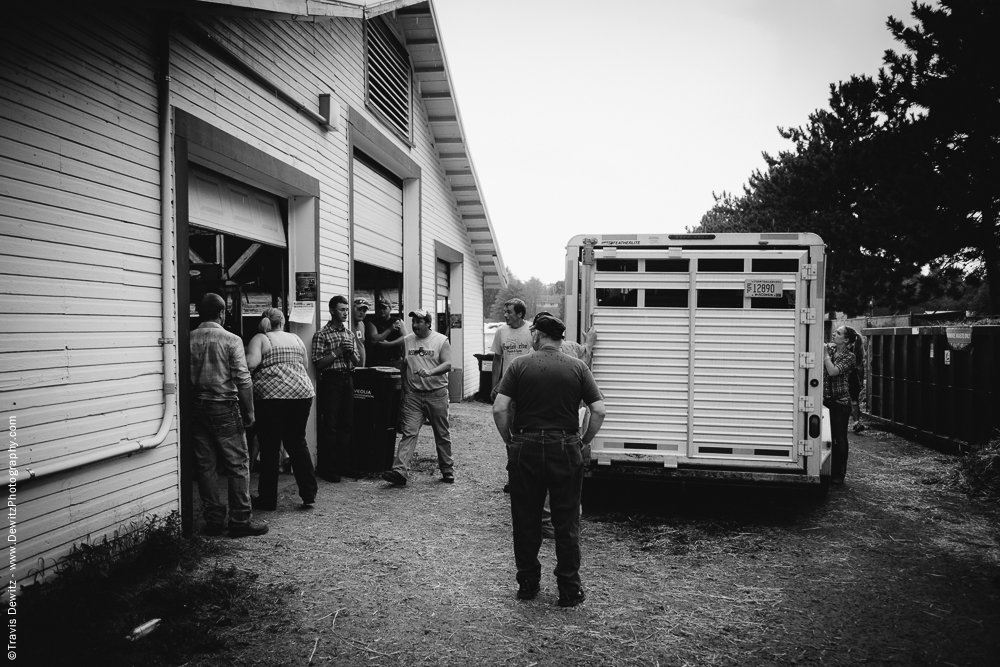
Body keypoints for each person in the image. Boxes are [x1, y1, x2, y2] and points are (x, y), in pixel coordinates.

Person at [492, 314, 606, 607]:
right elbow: (599, 410)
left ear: (539, 335)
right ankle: (569, 589)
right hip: (565, 446)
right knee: (566, 522)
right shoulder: (578, 367)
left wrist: (509, 440)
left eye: (532, 331)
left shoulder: (519, 365)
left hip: (526, 446)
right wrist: (583, 442)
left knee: (525, 519)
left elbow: (499, 409)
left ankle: (528, 584)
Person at [189, 293, 268, 537]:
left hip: (195, 407)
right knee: (237, 464)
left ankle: (213, 519)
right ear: (222, 313)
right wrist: (251, 410)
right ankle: (240, 520)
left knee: (205, 466)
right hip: (223, 405)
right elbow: (243, 379)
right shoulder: (231, 339)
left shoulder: (187, 338)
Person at [246, 308, 318, 510]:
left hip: (271, 397)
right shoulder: (295, 338)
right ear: (283, 321)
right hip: (301, 394)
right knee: (297, 442)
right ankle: (309, 494)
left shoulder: (261, 338)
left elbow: (251, 364)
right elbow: (303, 365)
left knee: (269, 447)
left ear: (264, 321)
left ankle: (268, 500)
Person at [379, 309, 454, 486]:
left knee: (441, 433)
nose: (415, 325)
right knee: (409, 432)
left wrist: (430, 372)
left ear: (428, 323)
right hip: (414, 395)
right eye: (413, 321)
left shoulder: (441, 340)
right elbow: (404, 365)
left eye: (419, 321)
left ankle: (447, 469)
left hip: (437, 393)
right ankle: (399, 471)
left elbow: (448, 364)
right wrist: (406, 387)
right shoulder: (408, 340)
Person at [312, 295, 362, 483]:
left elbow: (357, 362)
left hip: (347, 378)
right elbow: (318, 364)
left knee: (346, 423)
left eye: (346, 310)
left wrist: (349, 353)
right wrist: (338, 351)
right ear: (332, 310)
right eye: (341, 309)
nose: (345, 313)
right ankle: (328, 467)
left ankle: (345, 464)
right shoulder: (322, 334)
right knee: (330, 425)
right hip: (331, 381)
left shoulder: (349, 334)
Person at [823, 325, 859, 485]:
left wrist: (825, 355)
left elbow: (833, 371)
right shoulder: (831, 352)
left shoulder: (850, 357)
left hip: (840, 402)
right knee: (828, 438)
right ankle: (829, 471)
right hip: (826, 401)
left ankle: (839, 474)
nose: (833, 334)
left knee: (840, 438)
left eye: (838, 333)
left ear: (846, 340)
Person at [490, 298, 533, 401]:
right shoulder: (501, 331)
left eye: (509, 312)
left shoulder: (532, 330)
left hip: (528, 383)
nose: (505, 315)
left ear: (519, 314)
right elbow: (497, 360)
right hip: (507, 384)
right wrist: (494, 386)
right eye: (504, 312)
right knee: (504, 413)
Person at [365, 298, 404, 367]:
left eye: (384, 308)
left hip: (397, 361)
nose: (381, 310)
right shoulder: (373, 323)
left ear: (390, 309)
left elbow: (405, 339)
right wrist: (390, 329)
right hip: (380, 362)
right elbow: (373, 340)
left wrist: (389, 344)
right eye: (380, 308)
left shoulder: (398, 321)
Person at [352, 298, 370, 367]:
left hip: (361, 367)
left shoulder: (362, 324)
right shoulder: (348, 323)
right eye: (359, 309)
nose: (361, 313)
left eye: (364, 311)